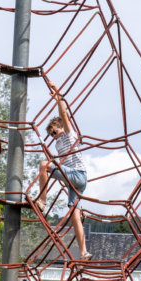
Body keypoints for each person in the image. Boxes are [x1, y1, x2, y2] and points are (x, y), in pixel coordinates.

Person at [34, 78, 90, 260]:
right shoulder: (58, 146)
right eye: (51, 134)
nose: (53, 136)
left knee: (44, 165)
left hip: (78, 175)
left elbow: (64, 115)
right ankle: (83, 252)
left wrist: (57, 95)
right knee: (75, 216)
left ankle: (42, 201)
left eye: (54, 132)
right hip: (75, 183)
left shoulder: (69, 134)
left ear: (60, 128)